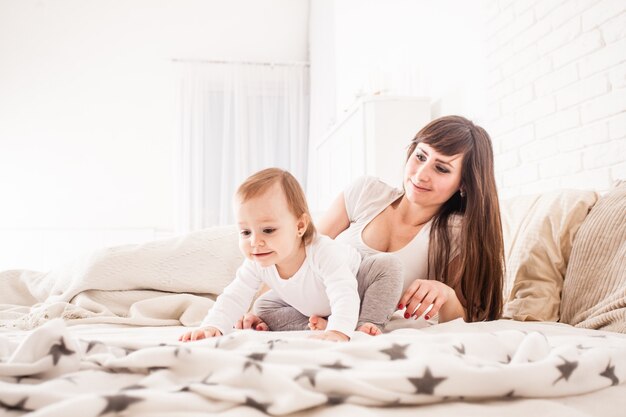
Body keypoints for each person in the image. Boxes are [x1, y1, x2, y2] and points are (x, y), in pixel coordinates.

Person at [239, 115, 504, 330]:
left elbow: (468, 319)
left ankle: (340, 325)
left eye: (442, 168)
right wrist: (255, 311)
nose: (421, 175)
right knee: (265, 308)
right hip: (311, 303)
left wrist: (445, 293)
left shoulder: (455, 233)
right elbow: (292, 251)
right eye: (420, 156)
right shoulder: (365, 192)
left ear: (464, 184)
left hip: (366, 324)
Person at [179, 168, 403, 343]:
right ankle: (319, 324)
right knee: (262, 307)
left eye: (268, 230)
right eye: (245, 232)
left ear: (300, 226)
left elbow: (343, 290)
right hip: (316, 305)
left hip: (358, 287)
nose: (255, 242)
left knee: (388, 265)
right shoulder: (257, 261)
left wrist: (338, 329)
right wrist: (212, 326)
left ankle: (364, 323)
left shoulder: (321, 251)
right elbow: (235, 296)